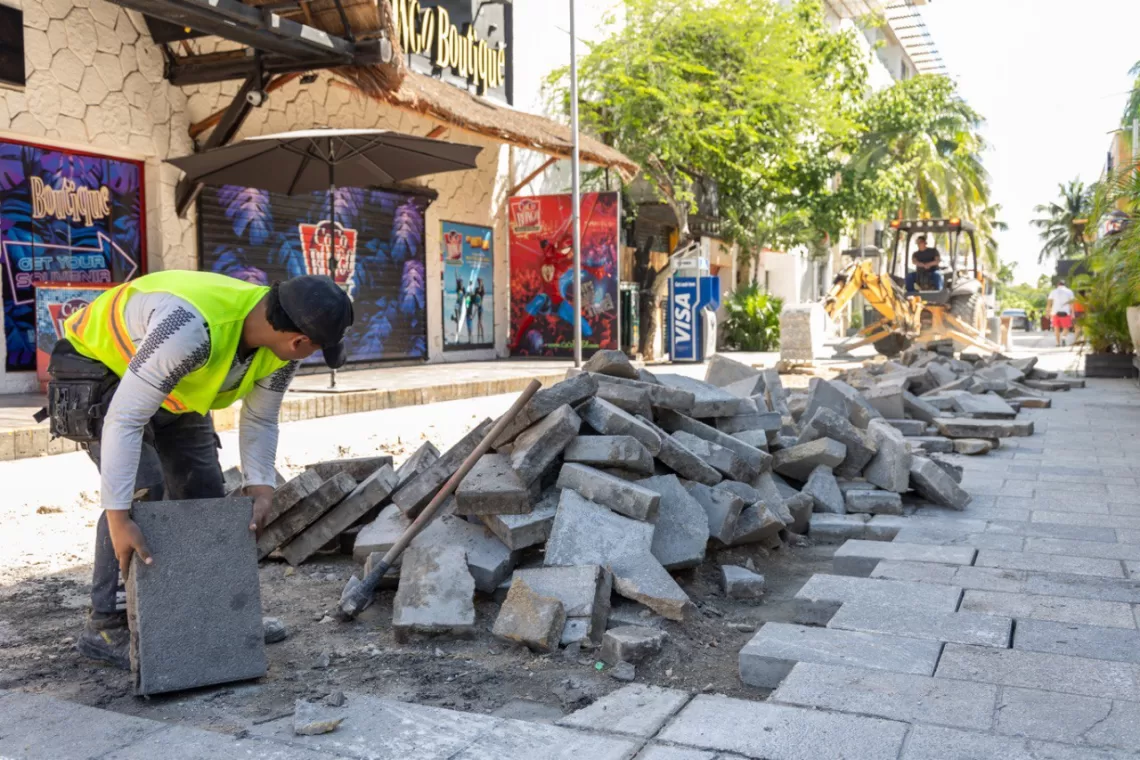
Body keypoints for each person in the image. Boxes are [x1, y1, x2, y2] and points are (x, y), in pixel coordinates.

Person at [47, 271, 354, 669]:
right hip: (100, 369)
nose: (310, 355)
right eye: (315, 349)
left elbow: (260, 419)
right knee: (142, 495)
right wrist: (120, 519)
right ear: (299, 341)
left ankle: (215, 618)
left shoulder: (278, 351)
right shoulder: (190, 331)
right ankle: (106, 626)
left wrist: (259, 486)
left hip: (171, 385)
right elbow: (124, 419)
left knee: (205, 494)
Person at [1046, 279, 1076, 347]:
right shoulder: (1069, 291)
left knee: (1056, 328)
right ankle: (1064, 337)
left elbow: (1049, 303)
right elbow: (1072, 303)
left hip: (1055, 312)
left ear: (1058, 285)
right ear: (1064, 284)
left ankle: (1057, 343)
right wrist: (1073, 313)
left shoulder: (1053, 291)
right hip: (1066, 312)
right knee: (1066, 327)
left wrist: (1048, 312)